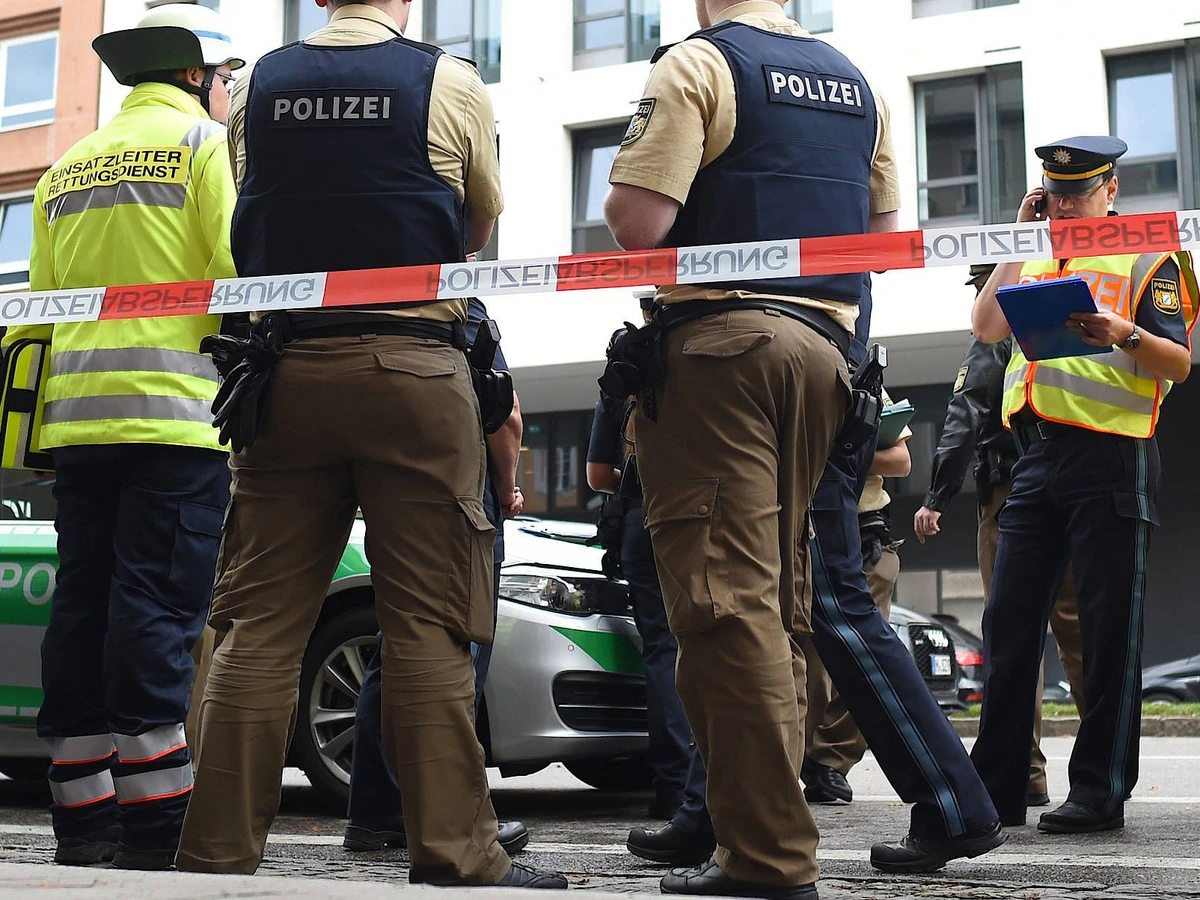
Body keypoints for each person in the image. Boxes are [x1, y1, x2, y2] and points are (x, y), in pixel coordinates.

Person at [175, 1, 564, 888]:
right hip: (415, 369)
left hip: (284, 373)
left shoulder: (255, 84)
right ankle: (456, 853)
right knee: (428, 625)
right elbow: (475, 228)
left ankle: (215, 856)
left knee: (256, 628)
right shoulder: (448, 79)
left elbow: (252, 218)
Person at [603, 0, 930, 894]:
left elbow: (637, 225)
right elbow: (879, 240)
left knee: (723, 604)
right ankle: (752, 832)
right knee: (780, 604)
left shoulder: (699, 64)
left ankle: (767, 857)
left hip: (724, 350)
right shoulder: (856, 82)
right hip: (826, 354)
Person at [0, 4, 242, 870]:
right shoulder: (205, 149)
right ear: (195, 76)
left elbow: (44, 303)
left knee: (82, 607)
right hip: (174, 420)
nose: (228, 94)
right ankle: (155, 823)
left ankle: (81, 817)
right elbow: (237, 274)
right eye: (226, 79)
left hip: (76, 424)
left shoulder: (65, 167)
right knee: (157, 610)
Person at [969, 136, 1197, 834]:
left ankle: (1099, 793)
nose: (1064, 205)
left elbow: (1179, 363)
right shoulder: (1037, 253)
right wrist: (1018, 237)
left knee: (1107, 630)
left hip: (1112, 454)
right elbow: (985, 326)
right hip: (1035, 457)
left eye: (1078, 192)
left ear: (1111, 191)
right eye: (1055, 194)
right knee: (1008, 624)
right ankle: (997, 789)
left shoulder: (1149, 253)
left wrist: (1124, 334)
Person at [342, 297, 530, 857]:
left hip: (393, 488)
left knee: (394, 648)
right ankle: (450, 819)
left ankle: (377, 810)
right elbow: (504, 414)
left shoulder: (379, 302)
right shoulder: (460, 308)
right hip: (461, 492)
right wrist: (507, 489)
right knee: (454, 650)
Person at [914, 263, 1086, 807]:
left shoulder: (998, 333)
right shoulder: (1068, 322)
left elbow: (964, 413)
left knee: (1014, 632)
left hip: (1012, 493)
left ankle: (1024, 772)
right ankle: (1100, 774)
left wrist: (937, 496)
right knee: (1081, 632)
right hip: (1075, 483)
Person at [586, 379, 692, 821]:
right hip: (696, 513)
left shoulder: (621, 379)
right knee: (709, 644)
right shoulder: (699, 368)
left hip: (639, 516)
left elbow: (597, 475)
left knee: (662, 651)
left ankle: (674, 786)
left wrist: (633, 475)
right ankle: (716, 779)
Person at [801, 390, 910, 804]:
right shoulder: (789, 368)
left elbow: (901, 461)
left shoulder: (865, 381)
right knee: (806, 657)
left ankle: (829, 762)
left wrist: (840, 451)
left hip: (867, 534)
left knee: (867, 657)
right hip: (802, 529)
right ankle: (795, 758)